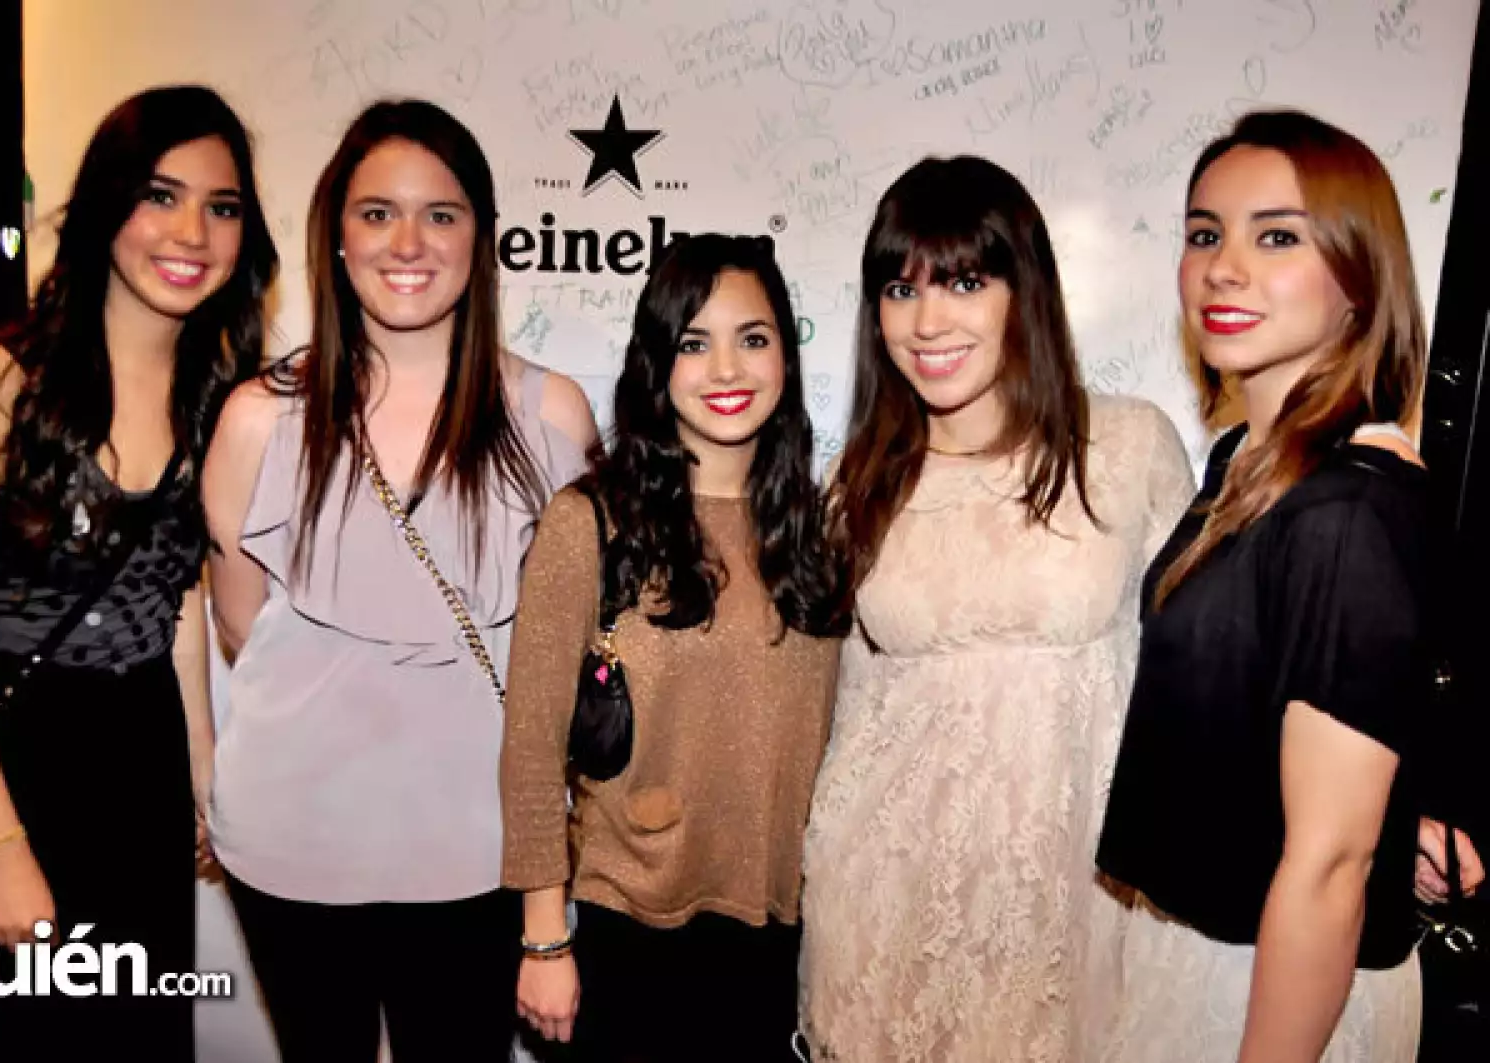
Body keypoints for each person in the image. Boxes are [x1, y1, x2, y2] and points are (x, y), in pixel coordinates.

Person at [202, 98, 596, 1063]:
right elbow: (242, 632)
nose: (407, 241)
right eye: (377, 213)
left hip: (477, 855)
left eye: (442, 214)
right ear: (335, 237)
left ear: (482, 239)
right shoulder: (260, 418)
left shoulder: (552, 419)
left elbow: (559, 657)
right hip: (293, 845)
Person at [0, 84, 276, 1060]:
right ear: (106, 203)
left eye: (222, 206)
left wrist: (199, 771)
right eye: (160, 193)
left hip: (135, 766)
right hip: (3, 759)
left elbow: (171, 598)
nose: (192, 229)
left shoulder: (215, 400)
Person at [1096, 108, 1484, 1063]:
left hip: (1269, 984)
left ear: (1359, 274)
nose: (1224, 267)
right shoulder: (1245, 459)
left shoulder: (1346, 508)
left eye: (1276, 236)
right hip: (1189, 957)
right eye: (1204, 234)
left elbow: (1327, 866)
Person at [798, 155, 1196, 1062]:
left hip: (1075, 911)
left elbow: (1208, 679)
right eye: (901, 288)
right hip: (885, 905)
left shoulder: (1129, 448)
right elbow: (842, 708)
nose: (927, 320)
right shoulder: (855, 482)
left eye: (965, 282)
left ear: (1026, 289)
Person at [502, 233, 849, 1062]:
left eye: (753, 339)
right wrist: (543, 937)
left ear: (786, 359)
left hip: (783, 936)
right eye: (695, 342)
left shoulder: (822, 530)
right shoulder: (589, 523)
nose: (727, 369)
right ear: (658, 361)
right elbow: (530, 745)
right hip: (631, 932)